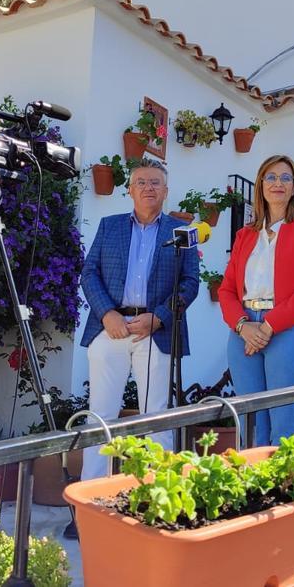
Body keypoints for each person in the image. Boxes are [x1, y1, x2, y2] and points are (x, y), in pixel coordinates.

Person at [74, 158, 199, 535]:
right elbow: (89, 273)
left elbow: (190, 283)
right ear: (129, 189)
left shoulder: (182, 230)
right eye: (141, 182)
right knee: (101, 417)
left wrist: (159, 316)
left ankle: (158, 502)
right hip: (110, 329)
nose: (148, 188)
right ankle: (89, 508)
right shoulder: (110, 226)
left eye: (156, 183)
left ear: (166, 190)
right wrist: (107, 313)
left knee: (156, 417)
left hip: (153, 331)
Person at [218, 155, 294, 447]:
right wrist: (243, 326)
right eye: (271, 177)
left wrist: (267, 327)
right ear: (261, 186)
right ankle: (254, 489)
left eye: (286, 178)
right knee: (251, 419)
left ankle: (286, 491)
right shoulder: (244, 235)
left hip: (287, 329)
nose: (278, 183)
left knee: (283, 420)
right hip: (243, 332)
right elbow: (227, 290)